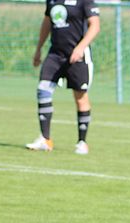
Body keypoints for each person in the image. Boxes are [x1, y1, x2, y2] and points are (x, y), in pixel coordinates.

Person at [26, 0, 100, 154]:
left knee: (80, 98)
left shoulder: (84, 1)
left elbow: (95, 25)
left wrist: (80, 47)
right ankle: (45, 139)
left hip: (78, 56)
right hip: (55, 54)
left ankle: (82, 142)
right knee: (43, 90)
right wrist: (39, 48)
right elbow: (47, 22)